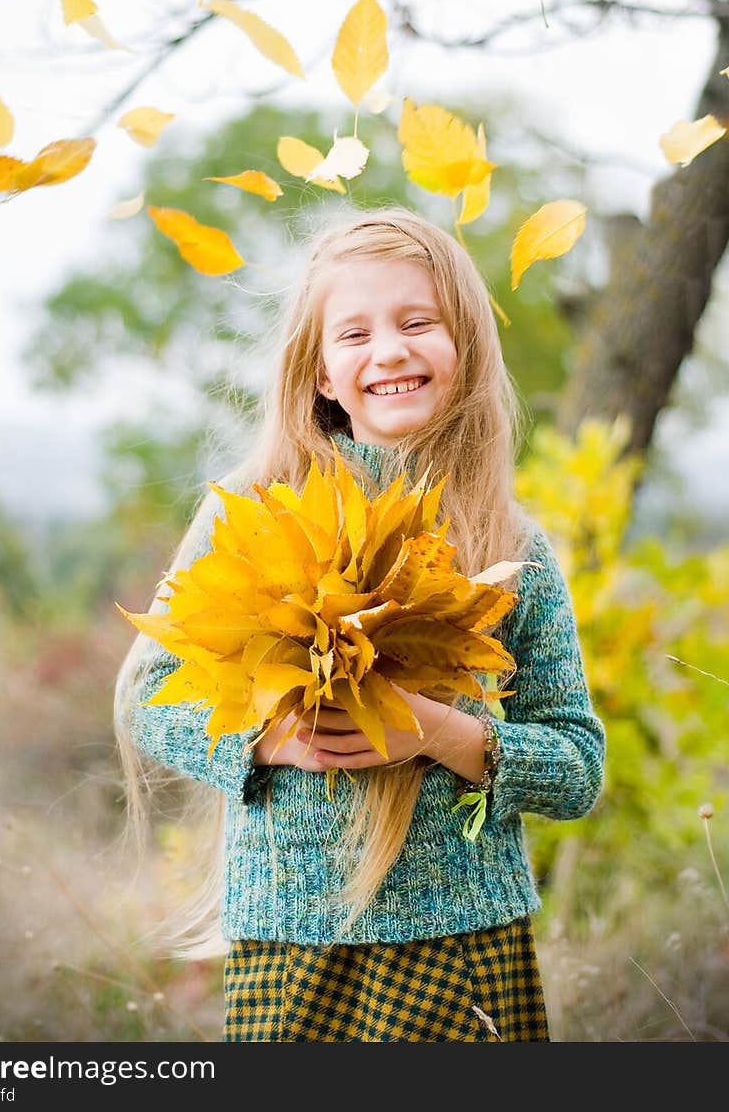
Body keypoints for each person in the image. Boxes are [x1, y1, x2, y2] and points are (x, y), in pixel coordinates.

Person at [114, 204, 606, 1043]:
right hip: (290, 944)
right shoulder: (250, 512)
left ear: (467, 348)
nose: (390, 350)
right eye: (354, 334)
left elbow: (578, 767)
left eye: (419, 321)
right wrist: (268, 742)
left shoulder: (513, 546)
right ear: (319, 374)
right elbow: (146, 695)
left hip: (467, 944)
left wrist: (441, 731)